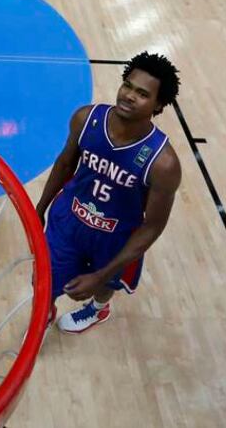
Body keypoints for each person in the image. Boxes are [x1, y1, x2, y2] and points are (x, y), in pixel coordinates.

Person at [35, 52, 182, 333]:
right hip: (69, 220)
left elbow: (152, 227)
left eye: (142, 94)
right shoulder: (86, 119)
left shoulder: (163, 163)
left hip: (115, 236)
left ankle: (97, 308)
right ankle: (45, 310)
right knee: (45, 280)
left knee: (104, 285)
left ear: (158, 104)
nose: (129, 95)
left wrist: (101, 275)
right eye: (127, 85)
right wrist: (40, 208)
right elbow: (65, 163)